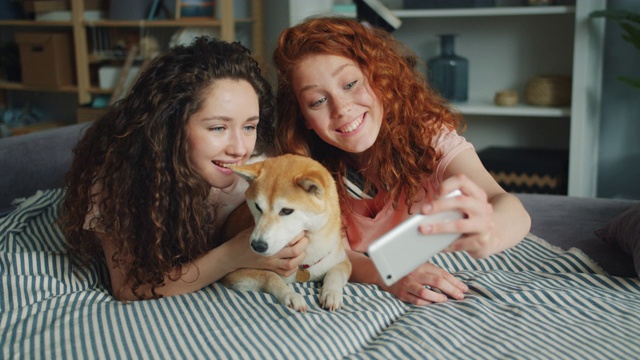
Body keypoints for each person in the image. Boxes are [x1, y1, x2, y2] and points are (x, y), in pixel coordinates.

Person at [273, 17, 531, 306]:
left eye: (350, 84)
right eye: (317, 101)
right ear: (303, 118)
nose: (342, 109)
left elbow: (508, 206)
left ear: (378, 78)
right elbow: (333, 254)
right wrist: (388, 272)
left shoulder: (427, 136)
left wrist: (491, 231)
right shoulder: (304, 171)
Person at [59, 36, 307, 301]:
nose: (239, 148)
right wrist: (232, 255)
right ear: (171, 129)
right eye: (218, 128)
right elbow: (128, 287)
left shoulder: (261, 166)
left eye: (249, 126)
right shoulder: (118, 182)